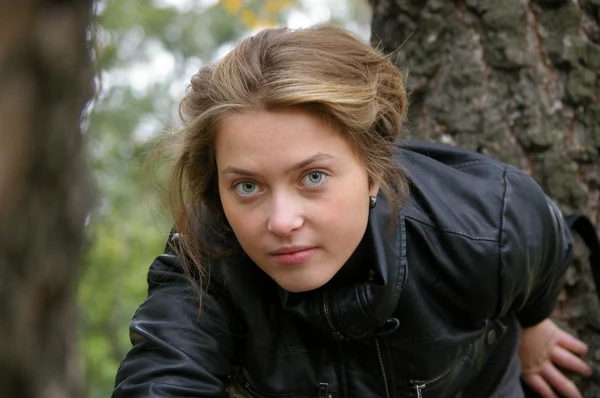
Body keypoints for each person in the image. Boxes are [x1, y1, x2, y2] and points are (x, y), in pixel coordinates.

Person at [112, 24, 593, 398]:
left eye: (313, 176)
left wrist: (535, 324)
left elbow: (546, 248)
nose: (281, 222)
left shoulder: (487, 220)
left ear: (374, 170)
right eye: (247, 185)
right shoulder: (205, 265)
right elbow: (163, 373)